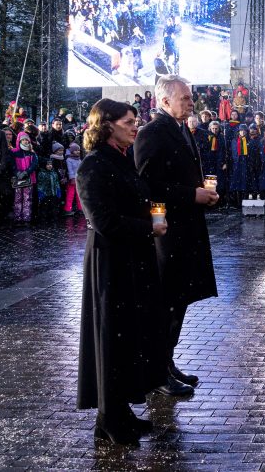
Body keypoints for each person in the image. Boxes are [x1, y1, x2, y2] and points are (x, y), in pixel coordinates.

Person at [76, 99, 169, 448]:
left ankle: (120, 411)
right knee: (111, 335)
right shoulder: (93, 166)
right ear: (107, 125)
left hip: (133, 258)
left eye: (136, 120)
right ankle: (109, 417)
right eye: (129, 121)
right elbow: (104, 221)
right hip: (111, 262)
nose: (135, 126)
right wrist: (148, 226)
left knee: (128, 335)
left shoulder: (122, 159)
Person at [134, 76, 219, 396]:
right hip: (166, 233)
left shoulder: (183, 128)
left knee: (178, 301)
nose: (191, 102)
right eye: (184, 98)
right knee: (164, 304)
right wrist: (190, 195)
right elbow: (147, 186)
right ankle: (155, 373)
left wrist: (203, 195)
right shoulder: (151, 133)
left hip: (187, 229)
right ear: (165, 101)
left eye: (191, 97)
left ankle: (166, 362)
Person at [10, 132, 38, 225]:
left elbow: (34, 164)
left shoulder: (31, 153)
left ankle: (26, 217)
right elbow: (12, 164)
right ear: (19, 141)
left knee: (27, 198)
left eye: (27, 140)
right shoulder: (14, 152)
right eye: (23, 140)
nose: (25, 141)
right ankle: (17, 218)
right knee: (17, 198)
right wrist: (17, 172)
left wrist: (26, 172)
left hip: (28, 179)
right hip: (18, 179)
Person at [64, 143, 83, 216]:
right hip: (72, 180)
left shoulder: (79, 159)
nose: (78, 151)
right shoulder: (69, 159)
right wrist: (72, 178)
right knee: (70, 195)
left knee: (79, 195)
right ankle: (68, 209)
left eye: (78, 150)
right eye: (76, 150)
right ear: (72, 151)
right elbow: (70, 170)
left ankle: (80, 208)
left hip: (78, 179)